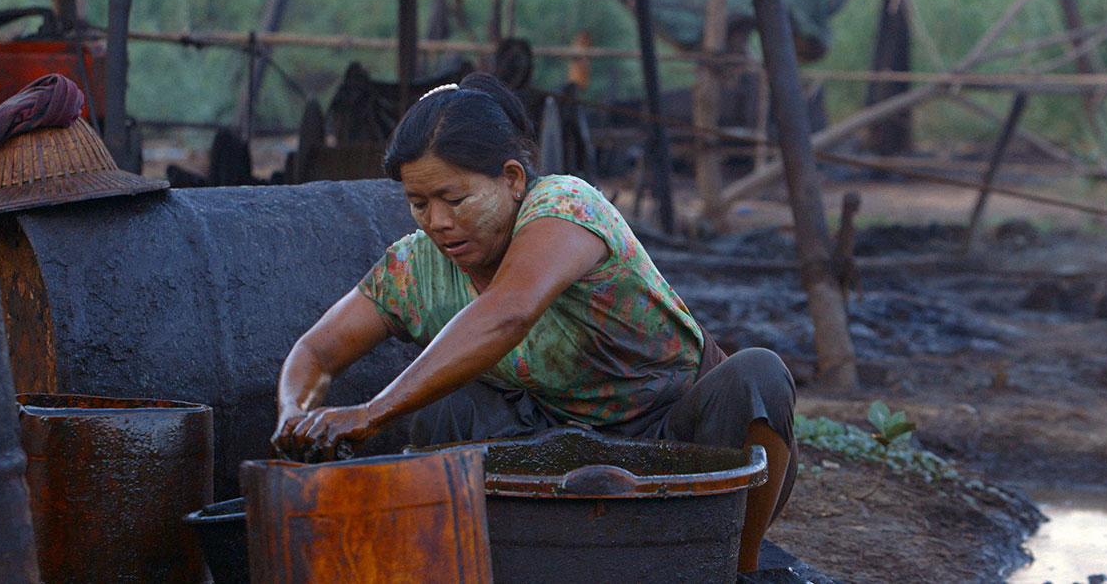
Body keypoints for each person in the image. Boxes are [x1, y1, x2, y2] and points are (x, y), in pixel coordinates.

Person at [272, 72, 797, 572]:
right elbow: (318, 352)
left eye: (454, 199)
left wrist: (371, 412)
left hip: (676, 438)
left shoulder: (565, 206)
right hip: (547, 444)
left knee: (759, 375)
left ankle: (737, 567)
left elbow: (510, 311)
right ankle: (471, 560)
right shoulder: (416, 266)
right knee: (446, 408)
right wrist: (294, 414)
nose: (437, 221)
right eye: (418, 203)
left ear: (512, 179)